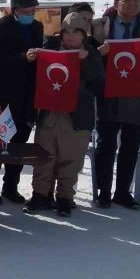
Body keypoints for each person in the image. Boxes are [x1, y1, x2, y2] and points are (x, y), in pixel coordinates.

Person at [24, 13, 105, 216]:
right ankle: (40, 195)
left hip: (76, 117)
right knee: (44, 156)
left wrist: (85, 62)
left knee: (71, 160)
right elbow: (32, 78)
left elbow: (99, 86)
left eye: (76, 32)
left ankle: (65, 198)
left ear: (83, 35)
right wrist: (31, 59)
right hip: (50, 114)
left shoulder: (92, 54)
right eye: (66, 32)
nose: (70, 37)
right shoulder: (50, 49)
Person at [93, 0, 140, 209]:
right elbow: (87, 62)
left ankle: (123, 192)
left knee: (131, 147)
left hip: (136, 98)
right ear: (116, 3)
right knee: (105, 146)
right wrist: (98, 54)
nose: (133, 4)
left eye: (136, 0)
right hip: (108, 96)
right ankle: (103, 191)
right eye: (127, 0)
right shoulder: (98, 26)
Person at [0, 0, 44, 205]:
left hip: (26, 95)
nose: (30, 14)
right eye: (26, 10)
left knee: (18, 145)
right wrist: (23, 57)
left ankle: (11, 187)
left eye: (33, 10)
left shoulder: (37, 26)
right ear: (15, 9)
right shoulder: (0, 26)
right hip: (3, 93)